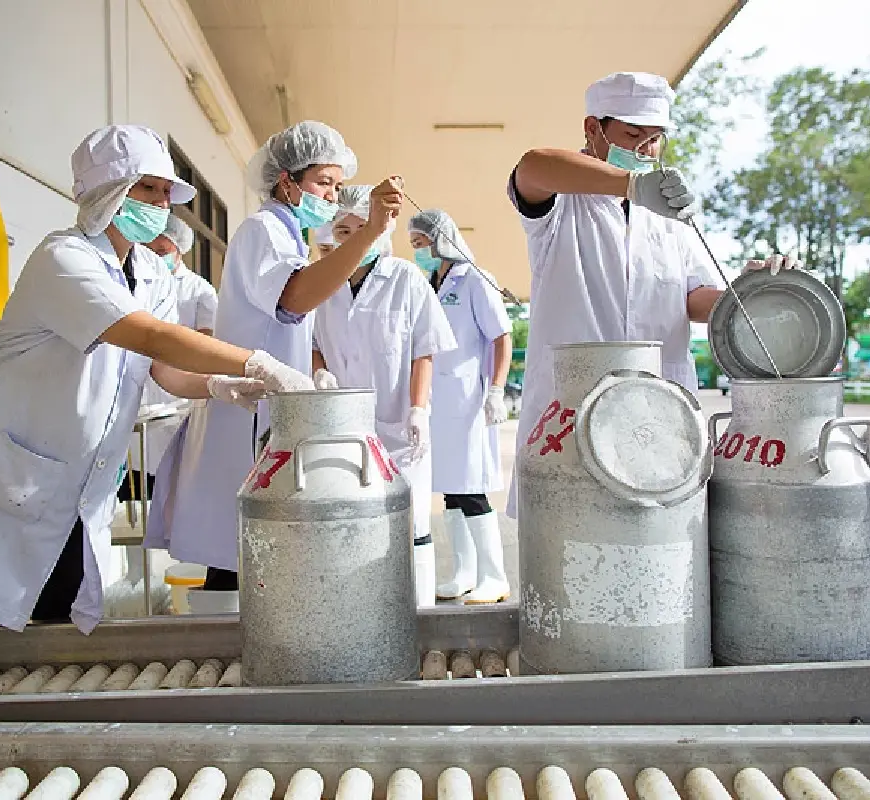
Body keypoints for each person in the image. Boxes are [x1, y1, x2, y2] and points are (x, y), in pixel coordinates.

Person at [0, 124, 313, 632]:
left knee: (54, 627)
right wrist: (254, 362)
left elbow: (164, 370)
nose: (160, 202)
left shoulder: (151, 273)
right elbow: (147, 336)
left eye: (164, 191)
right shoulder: (63, 258)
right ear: (108, 191)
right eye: (145, 187)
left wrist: (215, 388)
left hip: (72, 481)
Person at [504, 71, 795, 518]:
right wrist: (633, 186)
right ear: (592, 128)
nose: (645, 148)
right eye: (632, 133)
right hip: (574, 404)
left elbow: (695, 298)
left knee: (657, 538)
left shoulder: (670, 213)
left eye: (656, 138)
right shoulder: (562, 202)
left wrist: (753, 293)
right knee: (571, 534)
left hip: (659, 405)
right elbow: (533, 165)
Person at [147, 121, 405, 595]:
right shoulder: (262, 229)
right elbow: (293, 299)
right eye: (324, 182)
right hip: (245, 410)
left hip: (263, 410)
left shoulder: (288, 236)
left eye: (337, 184)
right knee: (237, 552)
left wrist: (314, 372)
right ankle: (223, 660)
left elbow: (285, 321)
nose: (333, 195)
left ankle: (237, 653)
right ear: (286, 179)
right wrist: (366, 234)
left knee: (250, 547)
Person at [313, 186, 457, 607]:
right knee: (351, 523)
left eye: (363, 227)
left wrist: (417, 409)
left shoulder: (407, 278)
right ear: (331, 234)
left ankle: (419, 618)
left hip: (399, 427)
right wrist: (319, 370)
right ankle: (362, 617)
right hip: (342, 426)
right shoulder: (323, 279)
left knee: (410, 527)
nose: (354, 237)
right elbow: (315, 341)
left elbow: (423, 349)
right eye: (344, 229)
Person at [408, 209, 512, 604]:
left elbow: (501, 337)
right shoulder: (429, 284)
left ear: (441, 240)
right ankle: (465, 573)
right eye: (414, 245)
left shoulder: (474, 280)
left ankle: (495, 576)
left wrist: (497, 391)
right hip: (439, 401)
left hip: (468, 399)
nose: (418, 252)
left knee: (471, 488)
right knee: (449, 489)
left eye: (422, 244)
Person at [118, 214, 218, 504]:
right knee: (131, 495)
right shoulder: (135, 281)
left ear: (180, 249)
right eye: (150, 249)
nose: (155, 256)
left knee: (169, 487)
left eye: (163, 252)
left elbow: (204, 344)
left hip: (176, 403)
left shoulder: (199, 290)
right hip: (136, 400)